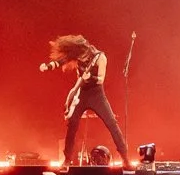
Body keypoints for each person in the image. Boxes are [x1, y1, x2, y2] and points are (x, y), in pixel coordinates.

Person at [41, 35, 126, 166]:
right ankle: (67, 159)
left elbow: (101, 79)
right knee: (72, 125)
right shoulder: (78, 55)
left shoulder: (100, 57)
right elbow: (60, 61)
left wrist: (90, 77)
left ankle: (125, 158)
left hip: (97, 95)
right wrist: (48, 66)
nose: (79, 60)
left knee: (112, 124)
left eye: (80, 57)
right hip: (82, 94)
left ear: (85, 51)